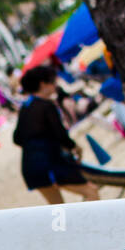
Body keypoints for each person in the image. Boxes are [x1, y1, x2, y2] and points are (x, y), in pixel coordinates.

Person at [13, 65, 100, 206]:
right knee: (91, 191)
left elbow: (17, 138)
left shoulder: (26, 107)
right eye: (53, 82)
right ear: (43, 84)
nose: (55, 85)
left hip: (30, 168)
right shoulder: (46, 106)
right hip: (49, 164)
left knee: (58, 209)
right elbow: (60, 135)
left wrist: (35, 142)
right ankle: (92, 227)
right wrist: (75, 147)